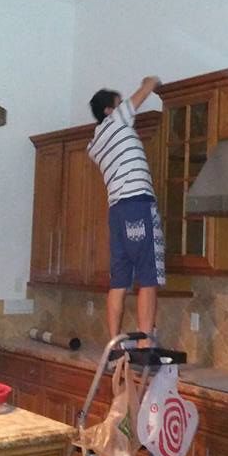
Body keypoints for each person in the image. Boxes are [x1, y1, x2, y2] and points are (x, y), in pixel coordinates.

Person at [88, 76, 165, 345]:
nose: (127, 113)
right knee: (148, 276)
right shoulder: (115, 123)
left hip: (117, 212)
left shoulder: (96, 144)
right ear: (110, 111)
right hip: (137, 204)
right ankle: (145, 343)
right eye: (120, 106)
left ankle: (114, 343)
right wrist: (151, 81)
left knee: (119, 282)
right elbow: (143, 93)